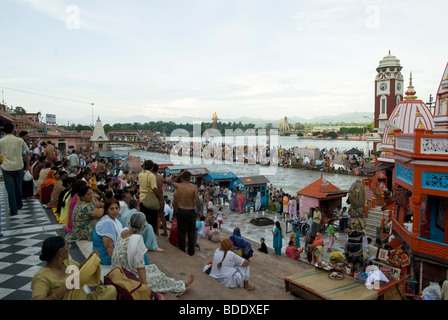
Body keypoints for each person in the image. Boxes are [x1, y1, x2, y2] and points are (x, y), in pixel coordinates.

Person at [111, 212, 194, 297]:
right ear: (143, 227)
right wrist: (145, 289)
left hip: (117, 272)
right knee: (158, 277)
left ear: (129, 223)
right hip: (128, 277)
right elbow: (141, 269)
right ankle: (181, 285)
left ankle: (177, 288)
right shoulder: (137, 240)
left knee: (153, 268)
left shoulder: (123, 232)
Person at [31, 236, 117, 300]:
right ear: (61, 252)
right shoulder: (42, 277)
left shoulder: (67, 262)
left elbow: (79, 268)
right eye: (67, 247)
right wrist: (66, 287)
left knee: (110, 290)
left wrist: (89, 260)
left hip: (83, 298)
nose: (68, 249)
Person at [0, 122, 29, 216]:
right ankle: (19, 204)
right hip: (19, 166)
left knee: (10, 189)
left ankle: (13, 209)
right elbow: (27, 151)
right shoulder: (19, 140)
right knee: (18, 187)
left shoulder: (1, 141)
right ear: (13, 130)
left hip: (6, 167)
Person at [170, 170, 201, 256]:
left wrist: (179, 175)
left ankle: (182, 249)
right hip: (190, 211)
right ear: (190, 178)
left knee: (181, 232)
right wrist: (199, 210)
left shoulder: (178, 186)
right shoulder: (193, 187)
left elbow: (172, 181)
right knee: (191, 232)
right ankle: (191, 251)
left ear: (182, 178)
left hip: (181, 210)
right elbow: (197, 200)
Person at [92, 198, 123, 265]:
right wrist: (118, 265)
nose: (115, 211)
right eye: (111, 209)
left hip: (111, 253)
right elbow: (108, 247)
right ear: (106, 210)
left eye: (116, 208)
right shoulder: (107, 223)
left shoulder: (116, 220)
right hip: (105, 257)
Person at [138, 160, 160, 236]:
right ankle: (151, 238)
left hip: (142, 199)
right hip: (149, 200)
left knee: (144, 221)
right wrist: (160, 198)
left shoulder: (140, 174)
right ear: (151, 167)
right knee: (152, 222)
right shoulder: (151, 176)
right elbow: (154, 188)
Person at [152, 163, 168, 236]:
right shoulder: (160, 177)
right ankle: (165, 231)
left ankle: (157, 232)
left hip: (155, 196)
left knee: (155, 215)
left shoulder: (151, 177)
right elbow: (165, 181)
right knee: (162, 215)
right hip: (161, 196)